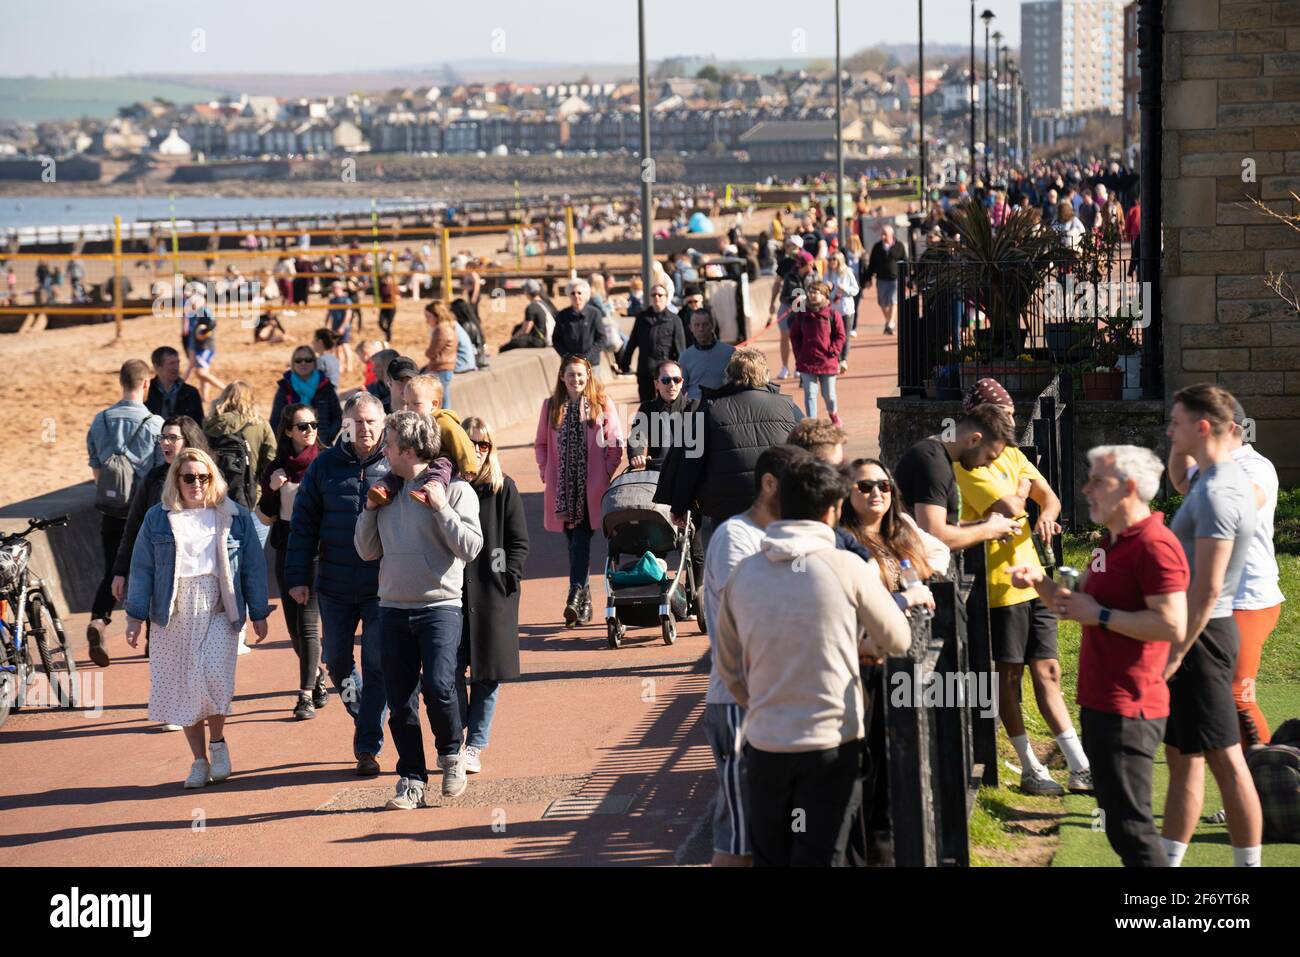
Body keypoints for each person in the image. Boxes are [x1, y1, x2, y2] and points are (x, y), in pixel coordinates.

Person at [713, 456, 912, 866]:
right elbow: (897, 637)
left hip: (766, 742)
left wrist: (762, 706)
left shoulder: (744, 574)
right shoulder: (847, 567)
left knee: (773, 855)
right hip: (831, 741)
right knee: (823, 854)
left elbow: (729, 667)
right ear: (832, 510)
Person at [1010, 445, 1189, 866]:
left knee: (1132, 829)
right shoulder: (1112, 542)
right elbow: (1077, 606)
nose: (1085, 489)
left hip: (1131, 705)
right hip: (1100, 702)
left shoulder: (1154, 545)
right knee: (1120, 826)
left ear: (1128, 488)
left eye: (1096, 481)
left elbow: (1171, 624)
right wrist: (1039, 581)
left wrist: (1102, 615)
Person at [952, 380, 1091, 796]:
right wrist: (1022, 491)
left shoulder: (1011, 453)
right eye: (1005, 415)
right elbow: (1011, 507)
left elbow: (1049, 498)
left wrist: (1044, 511)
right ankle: (1029, 765)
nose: (1012, 423)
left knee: (1048, 670)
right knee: (1007, 677)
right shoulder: (968, 465)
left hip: (1036, 581)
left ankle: (1080, 765)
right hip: (1000, 585)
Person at [355, 411, 483, 808]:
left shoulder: (458, 491)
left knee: (440, 685)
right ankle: (411, 777)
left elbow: (472, 548)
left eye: (389, 444)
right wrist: (371, 509)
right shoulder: (386, 491)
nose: (383, 450)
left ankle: (451, 753)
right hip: (392, 608)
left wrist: (442, 508)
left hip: (440, 606)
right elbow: (366, 551)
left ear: (408, 449)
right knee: (400, 701)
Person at [123, 448, 271, 789]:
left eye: (203, 477)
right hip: (173, 610)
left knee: (214, 675)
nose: (196, 484)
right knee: (184, 686)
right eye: (188, 477)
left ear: (212, 479)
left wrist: (259, 612)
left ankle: (217, 743)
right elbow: (142, 569)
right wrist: (134, 617)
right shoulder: (158, 518)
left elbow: (251, 567)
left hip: (220, 607)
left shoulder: (234, 516)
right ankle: (199, 761)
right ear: (176, 479)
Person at [1160, 384, 1264, 867]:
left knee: (1226, 759)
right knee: (1183, 757)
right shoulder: (1208, 476)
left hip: (1203, 637)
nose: (1169, 429)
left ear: (1202, 427)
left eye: (1176, 422)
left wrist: (1179, 649)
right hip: (1190, 634)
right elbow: (1181, 477)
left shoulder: (1223, 490)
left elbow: (1208, 587)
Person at [700, 444, 806, 867]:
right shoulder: (735, 537)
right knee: (739, 836)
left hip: (773, 699)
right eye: (796, 489)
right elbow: (744, 619)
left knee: (776, 830)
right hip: (738, 701)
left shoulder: (784, 536)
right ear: (768, 485)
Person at [285, 393, 391, 777]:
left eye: (370, 422)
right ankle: (366, 714)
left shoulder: (396, 463)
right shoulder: (324, 467)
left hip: (383, 588)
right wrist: (297, 577)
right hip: (334, 586)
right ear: (345, 425)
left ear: (383, 423)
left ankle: (367, 745)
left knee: (377, 662)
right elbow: (303, 525)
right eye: (357, 422)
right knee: (338, 663)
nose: (364, 429)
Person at [1168, 400, 1284, 746]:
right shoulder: (1210, 466)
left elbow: (1249, 500)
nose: (1175, 430)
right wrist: (1179, 444)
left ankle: (1270, 787)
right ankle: (1241, 794)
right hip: (1214, 599)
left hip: (1249, 598)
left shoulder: (1254, 466)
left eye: (1186, 424)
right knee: (1208, 698)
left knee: (1236, 697)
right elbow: (1178, 479)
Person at [110, 415, 209, 689]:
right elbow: (133, 530)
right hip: (161, 579)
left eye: (172, 437)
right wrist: (120, 571)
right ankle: (173, 702)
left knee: (198, 648)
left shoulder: (207, 477)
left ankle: (194, 699)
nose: (165, 443)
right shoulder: (153, 479)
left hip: (199, 580)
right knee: (162, 646)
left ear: (187, 440)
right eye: (162, 437)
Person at [665, 347, 801, 542]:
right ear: (765, 375)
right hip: (776, 503)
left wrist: (679, 506)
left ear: (729, 375)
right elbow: (809, 450)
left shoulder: (710, 410)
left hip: (727, 509)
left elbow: (690, 463)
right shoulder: (788, 407)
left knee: (730, 563)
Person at [457, 417, 529, 775]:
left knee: (487, 674)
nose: (477, 451)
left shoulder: (504, 489)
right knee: (448, 672)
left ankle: (475, 746)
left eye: (484, 445)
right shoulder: (449, 488)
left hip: (492, 592)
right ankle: (454, 737)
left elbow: (518, 541)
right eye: (470, 444)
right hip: (453, 593)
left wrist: (507, 576)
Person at [534, 355, 624, 627]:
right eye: (571, 375)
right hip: (562, 489)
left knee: (580, 541)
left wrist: (606, 473)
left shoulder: (601, 404)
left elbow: (615, 442)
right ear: (562, 377)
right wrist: (544, 470)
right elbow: (540, 444)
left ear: (588, 376)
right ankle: (583, 605)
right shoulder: (551, 407)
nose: (576, 380)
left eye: (581, 375)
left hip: (590, 488)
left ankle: (574, 594)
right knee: (573, 545)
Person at [86, 359, 164, 668]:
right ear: (146, 384)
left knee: (112, 572)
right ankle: (150, 639)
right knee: (152, 573)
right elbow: (160, 472)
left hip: (112, 509)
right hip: (144, 513)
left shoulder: (100, 419)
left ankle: (99, 621)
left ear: (121, 382)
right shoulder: (156, 424)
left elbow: (96, 469)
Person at [258, 403, 328, 721]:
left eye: (313, 424)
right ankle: (317, 676)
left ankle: (304, 695)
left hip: (318, 549)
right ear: (288, 431)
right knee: (293, 630)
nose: (310, 430)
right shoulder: (276, 468)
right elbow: (264, 515)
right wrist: (272, 490)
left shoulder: (327, 462)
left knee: (308, 624)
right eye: (302, 426)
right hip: (287, 547)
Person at [787, 281, 846, 425]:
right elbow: (794, 335)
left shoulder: (833, 314)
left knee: (829, 395)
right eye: (811, 292)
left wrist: (833, 350)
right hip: (807, 361)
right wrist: (798, 354)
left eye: (816, 292)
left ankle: (833, 414)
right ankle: (812, 423)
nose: (812, 295)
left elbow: (841, 336)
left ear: (825, 295)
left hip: (827, 361)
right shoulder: (802, 315)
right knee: (810, 394)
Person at [399, 373, 480, 476]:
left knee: (442, 463)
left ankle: (432, 487)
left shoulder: (442, 422)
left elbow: (461, 442)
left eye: (415, 404)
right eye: (406, 403)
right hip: (424, 464)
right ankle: (385, 486)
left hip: (444, 467)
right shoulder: (413, 424)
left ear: (434, 404)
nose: (409, 408)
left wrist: (469, 468)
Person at [619, 282, 686, 402]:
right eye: (654, 295)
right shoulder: (641, 318)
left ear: (666, 297)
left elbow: (680, 350)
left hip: (667, 375)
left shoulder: (675, 320)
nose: (657, 298)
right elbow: (632, 343)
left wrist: (680, 372)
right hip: (646, 372)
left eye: (660, 295)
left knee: (667, 408)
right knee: (648, 409)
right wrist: (625, 363)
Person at [269, 346, 343, 446]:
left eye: (308, 360)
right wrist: (284, 443)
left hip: (321, 446)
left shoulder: (326, 387)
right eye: (298, 360)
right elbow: (275, 420)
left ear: (314, 363)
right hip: (292, 449)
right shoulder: (285, 388)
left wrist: (326, 437)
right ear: (293, 363)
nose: (303, 363)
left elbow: (338, 417)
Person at [766, 246, 816, 379]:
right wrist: (794, 299)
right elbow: (783, 297)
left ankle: (799, 365)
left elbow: (818, 292)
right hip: (788, 308)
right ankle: (784, 367)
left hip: (804, 309)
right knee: (785, 335)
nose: (811, 267)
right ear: (802, 265)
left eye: (812, 264)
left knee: (802, 337)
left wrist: (805, 297)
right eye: (809, 265)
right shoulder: (789, 276)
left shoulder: (814, 276)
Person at [551, 278, 609, 372]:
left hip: (591, 365)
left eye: (579, 293)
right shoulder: (562, 315)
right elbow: (556, 339)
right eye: (572, 293)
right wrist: (566, 356)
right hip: (569, 365)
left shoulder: (595, 313)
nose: (576, 296)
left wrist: (586, 358)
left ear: (585, 295)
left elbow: (601, 338)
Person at [678, 307, 734, 401]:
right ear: (690, 328)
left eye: (705, 324)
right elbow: (681, 390)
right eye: (697, 325)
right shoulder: (685, 357)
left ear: (712, 326)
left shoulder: (730, 352)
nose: (701, 329)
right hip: (697, 410)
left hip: (723, 408)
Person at [863, 225, 907, 335]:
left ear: (891, 235)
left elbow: (905, 261)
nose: (883, 236)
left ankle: (890, 323)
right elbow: (872, 263)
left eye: (885, 234)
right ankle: (889, 321)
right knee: (882, 303)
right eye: (882, 234)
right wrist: (868, 278)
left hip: (895, 278)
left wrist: (906, 277)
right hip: (881, 279)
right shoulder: (877, 247)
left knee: (893, 300)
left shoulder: (899, 246)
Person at [181, 293, 224, 403]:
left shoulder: (204, 310)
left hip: (205, 346)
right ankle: (204, 397)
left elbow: (213, 323)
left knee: (201, 373)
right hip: (197, 346)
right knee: (201, 372)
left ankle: (225, 388)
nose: (193, 304)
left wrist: (203, 332)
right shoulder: (193, 313)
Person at [145, 346, 204, 423]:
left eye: (177, 362)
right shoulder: (146, 391)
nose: (176, 367)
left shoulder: (190, 393)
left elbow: (199, 424)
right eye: (171, 363)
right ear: (157, 366)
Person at [828, 251, 860, 371]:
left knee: (845, 336)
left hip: (846, 309)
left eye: (834, 259)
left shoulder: (847, 272)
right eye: (830, 259)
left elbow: (855, 289)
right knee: (833, 335)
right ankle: (836, 358)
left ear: (839, 260)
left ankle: (844, 360)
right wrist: (828, 289)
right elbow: (823, 290)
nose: (831, 262)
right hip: (833, 310)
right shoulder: (828, 274)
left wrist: (845, 289)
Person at [423, 300, 459, 408]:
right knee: (443, 397)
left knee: (442, 400)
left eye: (428, 317)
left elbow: (432, 352)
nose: (427, 320)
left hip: (441, 368)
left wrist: (427, 352)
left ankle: (446, 421)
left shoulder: (441, 329)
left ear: (436, 315)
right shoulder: (448, 326)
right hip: (446, 367)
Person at [326, 282, 357, 376]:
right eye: (332, 288)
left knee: (345, 345)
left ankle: (349, 365)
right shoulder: (332, 300)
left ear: (340, 288)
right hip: (334, 326)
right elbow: (329, 313)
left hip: (344, 327)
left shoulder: (346, 300)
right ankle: (340, 366)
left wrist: (343, 326)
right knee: (337, 347)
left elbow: (348, 315)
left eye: (335, 288)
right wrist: (326, 324)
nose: (334, 290)